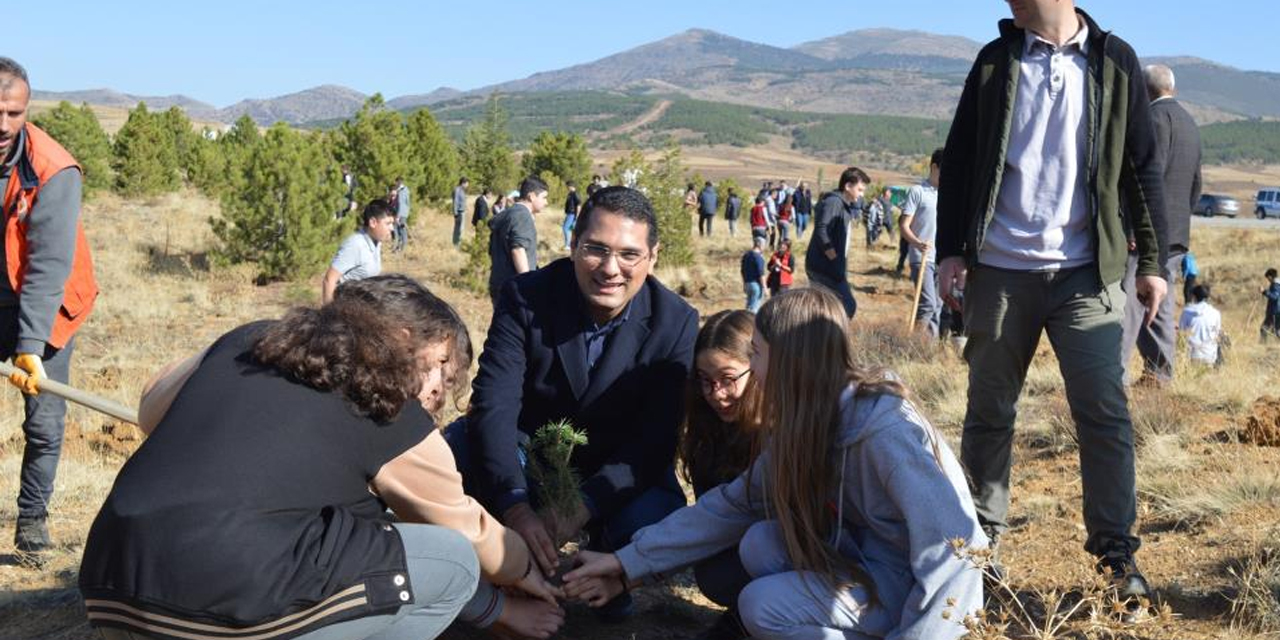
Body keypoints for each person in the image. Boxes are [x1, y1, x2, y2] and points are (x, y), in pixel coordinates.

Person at [80, 275, 565, 640]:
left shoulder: (251, 339)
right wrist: (527, 573)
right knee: (454, 561)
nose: (439, 389)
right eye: (441, 364)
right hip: (217, 602)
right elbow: (465, 530)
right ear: (400, 335)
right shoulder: (389, 403)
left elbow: (150, 409)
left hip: (109, 588)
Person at [563, 287, 986, 640]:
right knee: (760, 543)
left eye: (757, 352)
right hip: (865, 564)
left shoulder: (886, 432)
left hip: (911, 586)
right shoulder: (809, 422)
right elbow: (734, 505)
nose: (754, 367)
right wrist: (626, 562)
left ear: (788, 360)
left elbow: (956, 552)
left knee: (760, 605)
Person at [936, 1, 1169, 601]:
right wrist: (950, 251)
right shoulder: (995, 61)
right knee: (989, 413)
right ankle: (981, 549)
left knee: (1104, 412)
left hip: (1086, 274)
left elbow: (1143, 166)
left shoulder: (1114, 60)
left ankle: (1116, 557)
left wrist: (1155, 263)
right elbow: (959, 158)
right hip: (1001, 270)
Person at [448, 186, 698, 621]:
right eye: (596, 250)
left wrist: (583, 507)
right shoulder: (526, 297)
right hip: (532, 455)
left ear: (653, 257)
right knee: (453, 453)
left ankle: (606, 573)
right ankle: (487, 573)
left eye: (629, 255)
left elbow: (654, 440)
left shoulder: (676, 322)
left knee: (656, 518)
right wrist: (515, 504)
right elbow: (494, 403)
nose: (610, 269)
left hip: (618, 470)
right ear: (572, 244)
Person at [0, 58, 99, 558]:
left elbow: (48, 265)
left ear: (26, 110)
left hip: (50, 303)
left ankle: (33, 521)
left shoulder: (53, 170)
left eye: (14, 114)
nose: (3, 125)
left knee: (43, 420)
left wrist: (30, 347)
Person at [676, 310, 762, 639]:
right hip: (738, 549)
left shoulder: (782, 431)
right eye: (705, 380)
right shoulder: (706, 432)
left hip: (796, 561)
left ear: (757, 370)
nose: (716, 393)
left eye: (728, 379)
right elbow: (710, 516)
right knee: (715, 573)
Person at [1120, 64, 1202, 384]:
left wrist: (1131, 228)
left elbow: (1142, 180)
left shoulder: (1152, 121)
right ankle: (1160, 374)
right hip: (1176, 234)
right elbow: (1196, 183)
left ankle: (1118, 377)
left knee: (1130, 303)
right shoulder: (1190, 123)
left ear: (1144, 91)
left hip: (1147, 235)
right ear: (1172, 89)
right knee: (1161, 304)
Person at [805, 167, 870, 319]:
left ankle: (822, 340)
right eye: (860, 190)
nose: (862, 195)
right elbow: (822, 229)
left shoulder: (843, 204)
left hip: (830, 266)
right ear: (848, 186)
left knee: (825, 310)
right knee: (846, 307)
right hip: (825, 267)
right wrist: (833, 258)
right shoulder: (834, 202)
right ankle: (827, 339)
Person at [900, 149, 943, 337]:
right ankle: (915, 344)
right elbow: (903, 225)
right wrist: (917, 243)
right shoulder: (918, 191)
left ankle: (929, 347)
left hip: (941, 259)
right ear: (934, 167)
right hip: (921, 257)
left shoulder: (947, 195)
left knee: (938, 304)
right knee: (928, 304)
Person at [321, 199, 396, 304]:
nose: (392, 228)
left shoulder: (376, 242)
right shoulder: (355, 245)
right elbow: (329, 280)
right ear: (373, 222)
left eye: (392, 223)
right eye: (388, 223)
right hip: (344, 310)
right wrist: (328, 316)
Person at [487, 177, 548, 305]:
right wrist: (527, 285)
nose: (546, 202)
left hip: (499, 282)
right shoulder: (522, 215)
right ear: (531, 196)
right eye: (543, 197)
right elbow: (518, 250)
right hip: (515, 288)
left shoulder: (509, 213)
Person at [1178, 284, 1222, 367]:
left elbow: (1181, 334)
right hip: (1210, 355)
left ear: (1194, 297)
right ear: (1208, 297)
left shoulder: (1187, 311)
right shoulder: (1216, 313)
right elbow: (1217, 334)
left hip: (1192, 355)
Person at [741, 237, 766, 313]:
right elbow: (761, 273)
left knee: (748, 306)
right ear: (759, 245)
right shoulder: (758, 257)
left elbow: (742, 270)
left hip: (748, 283)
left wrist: (744, 283)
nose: (764, 247)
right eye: (764, 245)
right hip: (756, 285)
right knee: (754, 308)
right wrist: (765, 287)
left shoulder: (746, 255)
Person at [393, 176, 411, 253]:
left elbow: (400, 204)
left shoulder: (402, 191)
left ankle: (402, 248)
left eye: (396, 182)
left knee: (400, 230)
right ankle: (400, 247)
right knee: (401, 229)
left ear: (398, 182)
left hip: (400, 214)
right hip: (404, 213)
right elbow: (408, 203)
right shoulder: (406, 190)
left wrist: (398, 215)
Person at [563, 181, 581, 251]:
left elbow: (579, 205)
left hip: (572, 214)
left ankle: (568, 245)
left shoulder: (575, 194)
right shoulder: (570, 194)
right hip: (569, 214)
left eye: (567, 186)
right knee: (570, 229)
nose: (566, 188)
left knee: (566, 228)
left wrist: (577, 216)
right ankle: (571, 244)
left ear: (570, 186)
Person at [1262, 268, 1280, 341]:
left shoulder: (1276, 285)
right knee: (1274, 331)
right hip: (1275, 311)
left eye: (1267, 278)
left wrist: (1264, 292)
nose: (1268, 280)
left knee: (1264, 329)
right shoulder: (1276, 284)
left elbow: (1275, 296)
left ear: (1270, 277)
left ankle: (1262, 346)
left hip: (1275, 312)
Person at [452, 177, 469, 247]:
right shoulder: (457, 190)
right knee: (459, 229)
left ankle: (457, 244)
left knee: (459, 229)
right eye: (467, 183)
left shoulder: (462, 190)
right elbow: (455, 202)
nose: (467, 185)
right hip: (459, 212)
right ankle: (457, 244)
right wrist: (455, 213)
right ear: (463, 183)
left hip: (462, 211)